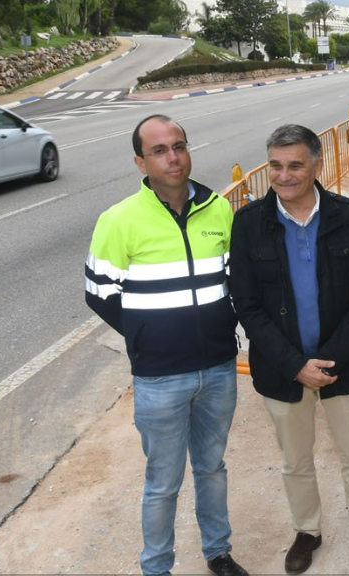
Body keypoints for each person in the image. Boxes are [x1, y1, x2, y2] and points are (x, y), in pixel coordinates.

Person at [228, 124, 349, 576]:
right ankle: (307, 530)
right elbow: (245, 302)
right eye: (276, 166)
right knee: (295, 460)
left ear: (317, 164)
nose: (284, 176)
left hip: (343, 365)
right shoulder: (248, 224)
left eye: (295, 165)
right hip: (282, 370)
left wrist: (328, 361)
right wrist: (295, 366)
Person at [84, 115, 247, 576]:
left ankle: (218, 551)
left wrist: (224, 329)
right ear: (140, 161)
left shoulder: (218, 207)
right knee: (163, 482)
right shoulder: (119, 220)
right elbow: (99, 293)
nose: (172, 157)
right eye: (159, 150)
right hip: (159, 376)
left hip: (218, 368)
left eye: (178, 145)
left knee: (212, 468)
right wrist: (148, 337)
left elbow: (234, 280)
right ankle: (157, 567)